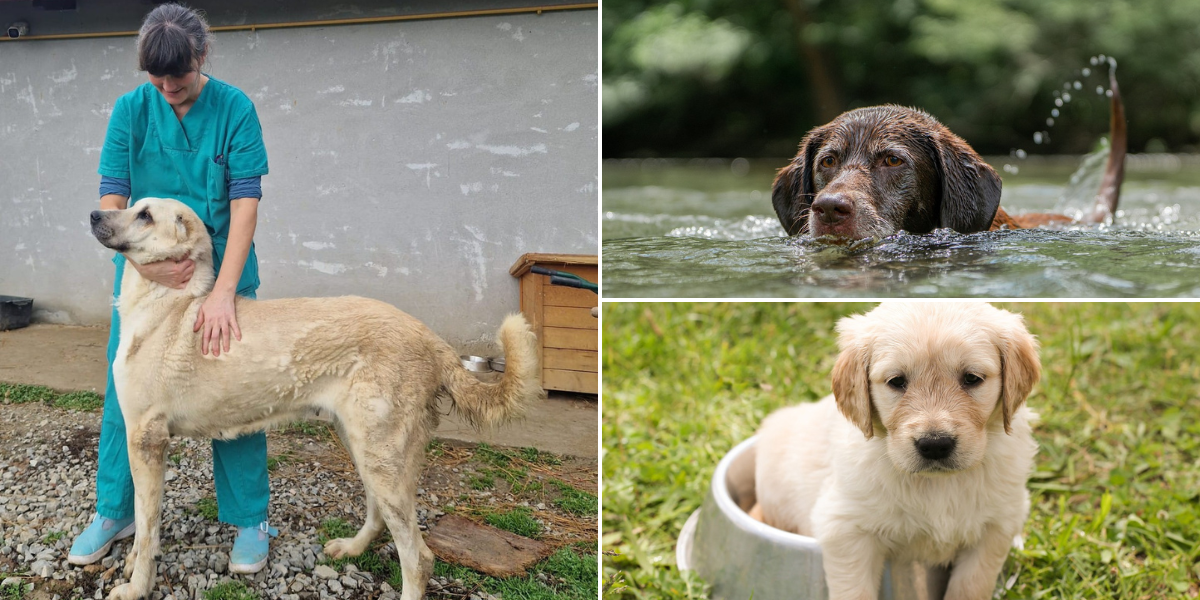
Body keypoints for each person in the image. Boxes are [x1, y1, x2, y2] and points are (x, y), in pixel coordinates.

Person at [69, 3, 275, 574]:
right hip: (143, 273)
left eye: (178, 78)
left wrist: (222, 293)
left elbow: (244, 206)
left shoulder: (235, 109)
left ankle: (249, 517)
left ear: (201, 56)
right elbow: (112, 197)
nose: (167, 89)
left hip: (222, 269)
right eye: (156, 79)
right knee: (126, 392)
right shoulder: (132, 110)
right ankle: (116, 510)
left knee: (233, 386)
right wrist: (144, 267)